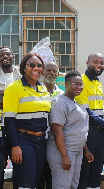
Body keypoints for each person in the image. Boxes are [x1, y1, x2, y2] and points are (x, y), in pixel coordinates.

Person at [3, 52, 51, 188]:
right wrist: (15, 146)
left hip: (41, 141)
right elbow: (9, 119)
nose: (36, 68)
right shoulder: (14, 87)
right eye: (32, 65)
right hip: (23, 140)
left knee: (37, 182)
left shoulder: (43, 89)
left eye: (39, 65)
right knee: (26, 183)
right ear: (24, 67)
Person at [76, 53, 104, 189]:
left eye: (101, 62)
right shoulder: (80, 82)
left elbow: (99, 111)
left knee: (96, 171)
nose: (99, 65)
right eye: (96, 62)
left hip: (99, 133)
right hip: (87, 133)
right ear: (87, 62)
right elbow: (86, 112)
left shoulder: (97, 82)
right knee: (84, 172)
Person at [47, 71, 94, 189]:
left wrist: (86, 150)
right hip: (64, 152)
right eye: (75, 84)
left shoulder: (75, 103)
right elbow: (57, 131)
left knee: (73, 186)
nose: (79, 87)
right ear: (66, 84)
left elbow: (77, 129)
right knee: (62, 185)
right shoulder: (60, 103)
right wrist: (64, 156)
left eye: (81, 84)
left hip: (76, 152)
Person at [37, 61, 64, 189]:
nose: (52, 73)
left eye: (54, 71)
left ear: (58, 74)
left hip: (55, 143)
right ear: (42, 72)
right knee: (39, 177)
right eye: (48, 70)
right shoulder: (35, 92)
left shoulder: (62, 95)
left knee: (53, 178)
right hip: (38, 141)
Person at [0, 46, 21, 189]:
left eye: (8, 54)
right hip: (1, 127)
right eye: (2, 55)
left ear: (13, 56)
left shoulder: (21, 72)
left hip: (19, 126)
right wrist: (13, 95)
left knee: (20, 167)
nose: (5, 57)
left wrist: (3, 94)